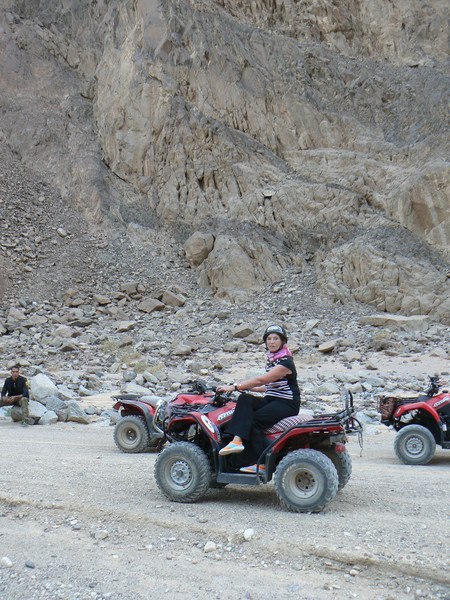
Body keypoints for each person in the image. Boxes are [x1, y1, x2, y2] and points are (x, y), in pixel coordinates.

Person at [217, 325, 300, 473]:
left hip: (287, 403)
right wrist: (249, 389)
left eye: (276, 338)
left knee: (254, 422)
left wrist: (235, 387)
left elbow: (262, 380)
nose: (272, 342)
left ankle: (262, 463)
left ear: (283, 341)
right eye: (269, 339)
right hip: (272, 398)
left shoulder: (286, 362)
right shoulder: (273, 360)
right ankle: (236, 441)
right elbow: (270, 386)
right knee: (245, 399)